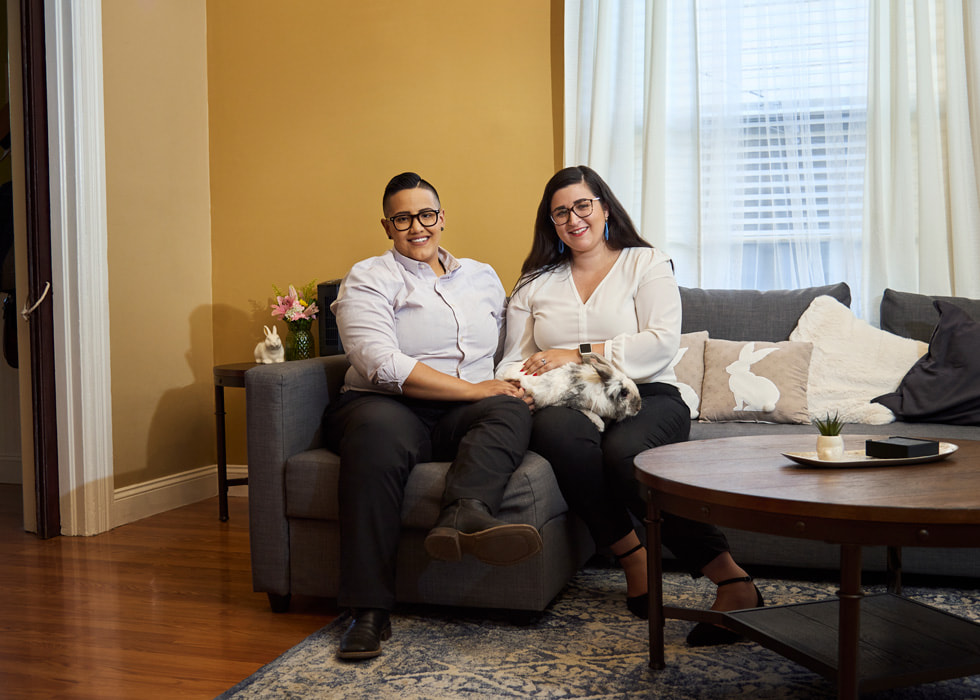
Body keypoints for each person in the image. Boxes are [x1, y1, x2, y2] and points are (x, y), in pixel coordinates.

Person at [497, 165, 762, 646]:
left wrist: (579, 352)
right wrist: (518, 385)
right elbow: (513, 357)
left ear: (603, 207)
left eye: (583, 205)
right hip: (567, 398)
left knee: (625, 458)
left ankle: (733, 580)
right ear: (550, 223)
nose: (574, 218)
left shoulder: (647, 263)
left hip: (648, 393)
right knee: (562, 439)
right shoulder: (535, 282)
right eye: (560, 212)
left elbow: (659, 345)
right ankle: (633, 558)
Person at [324, 172, 542, 660]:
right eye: (403, 218)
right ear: (387, 226)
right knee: (376, 438)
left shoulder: (482, 277)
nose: (416, 227)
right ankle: (369, 612)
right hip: (385, 405)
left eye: (426, 215)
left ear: (442, 218)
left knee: (509, 409)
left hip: (459, 409)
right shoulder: (369, 277)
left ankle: (466, 514)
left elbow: (509, 346)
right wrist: (471, 390)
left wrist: (511, 386)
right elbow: (379, 362)